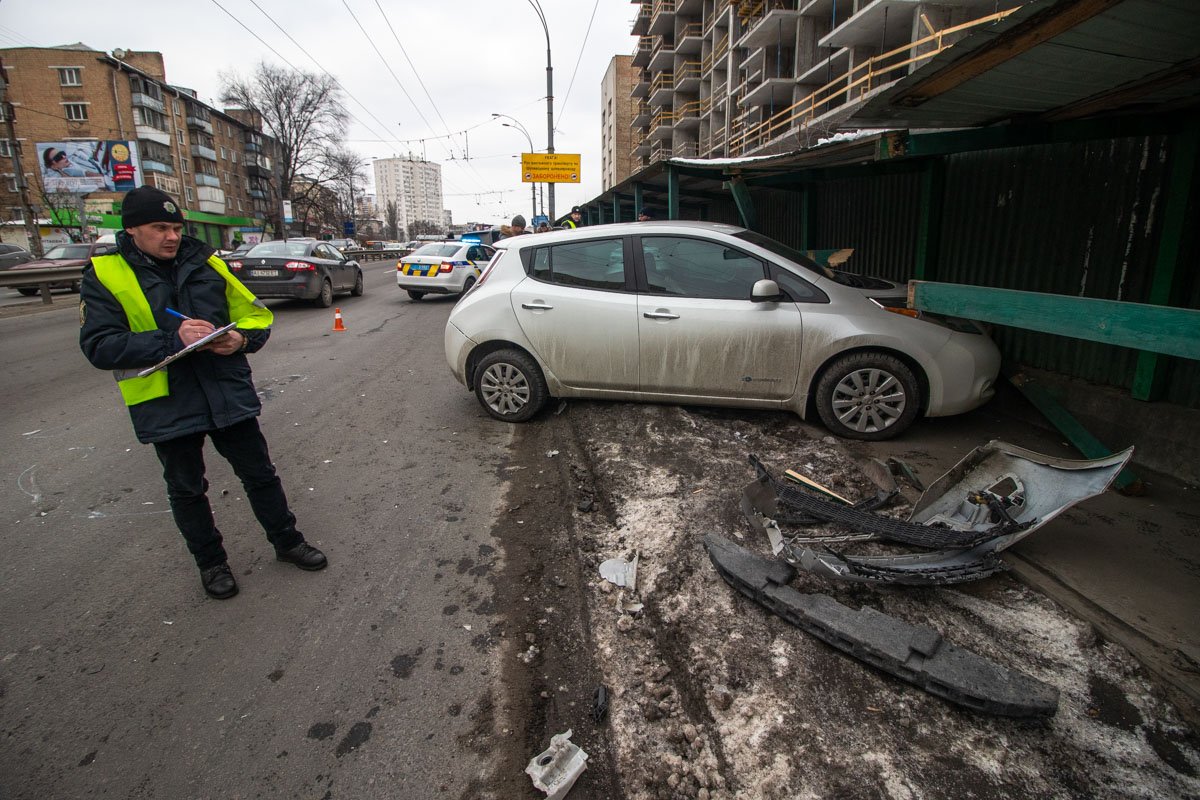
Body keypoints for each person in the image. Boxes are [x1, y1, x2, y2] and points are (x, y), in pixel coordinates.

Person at [79, 186, 327, 600]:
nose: (172, 236)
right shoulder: (105, 274)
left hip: (225, 387)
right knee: (187, 489)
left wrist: (242, 340)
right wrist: (170, 338)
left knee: (260, 474)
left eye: (176, 227)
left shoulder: (207, 262)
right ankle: (212, 564)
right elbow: (99, 346)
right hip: (165, 398)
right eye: (160, 228)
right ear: (132, 229)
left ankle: (287, 542)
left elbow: (254, 314)